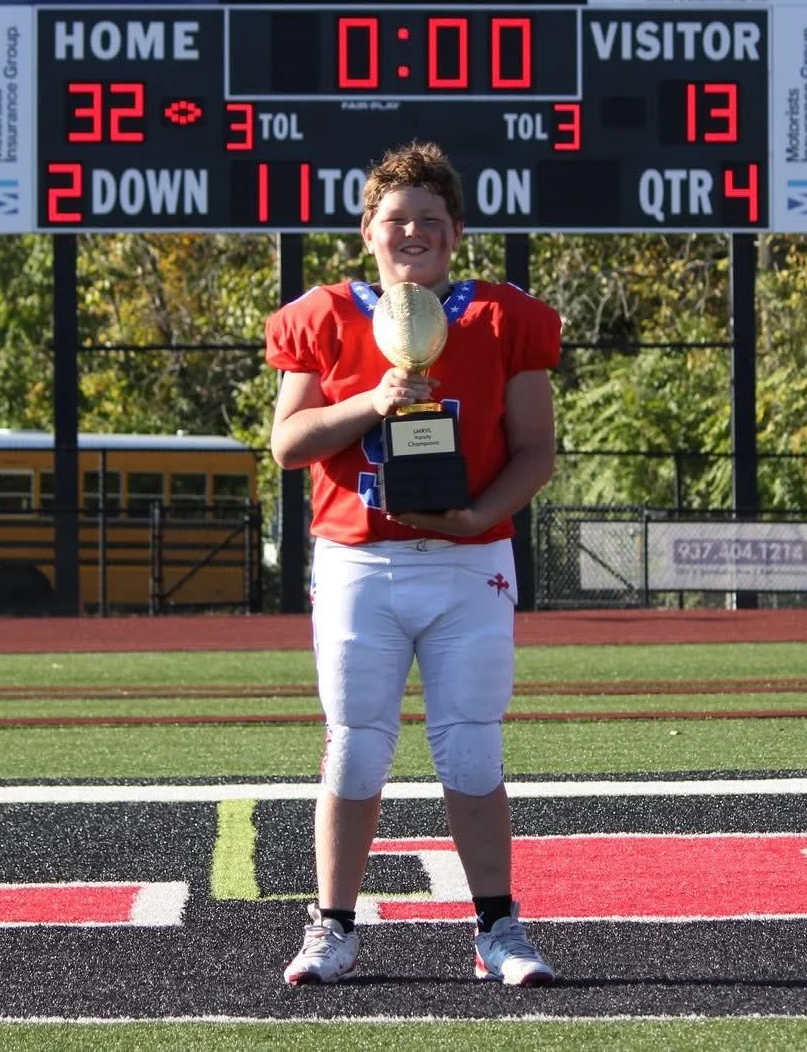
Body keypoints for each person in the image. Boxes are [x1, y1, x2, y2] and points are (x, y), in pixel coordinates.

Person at [265, 140, 562, 987]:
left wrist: (476, 515)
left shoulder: (501, 317)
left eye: (431, 220)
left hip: (469, 562)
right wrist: (371, 400)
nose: (413, 232)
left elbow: (536, 451)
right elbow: (288, 443)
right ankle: (333, 926)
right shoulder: (324, 315)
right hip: (360, 558)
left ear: (457, 233)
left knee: (471, 747)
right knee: (356, 747)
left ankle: (498, 928)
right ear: (368, 231)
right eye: (397, 218)